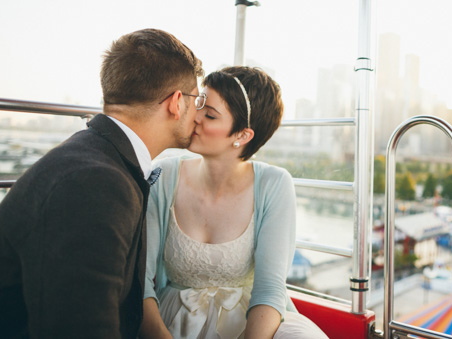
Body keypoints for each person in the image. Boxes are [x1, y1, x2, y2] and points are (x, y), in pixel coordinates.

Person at [0, 29, 204, 338]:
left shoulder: (99, 159)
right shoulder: (94, 184)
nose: (199, 114)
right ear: (175, 102)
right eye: (196, 100)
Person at [140, 66, 327, 339]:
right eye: (199, 103)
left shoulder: (274, 184)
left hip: (252, 322)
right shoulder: (165, 175)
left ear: (242, 136)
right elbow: (141, 280)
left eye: (210, 115)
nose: (194, 117)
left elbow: (270, 289)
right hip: (173, 321)